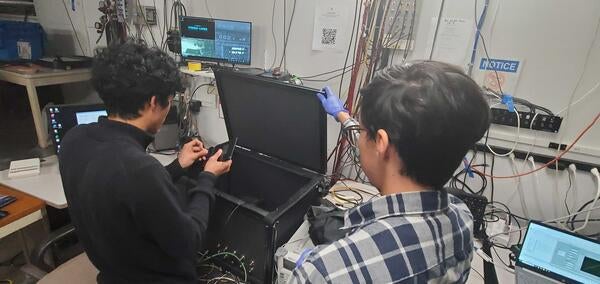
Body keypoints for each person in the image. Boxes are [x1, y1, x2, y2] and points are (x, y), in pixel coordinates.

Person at [290, 61, 490, 283]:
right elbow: (385, 146)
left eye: (363, 130)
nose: (361, 138)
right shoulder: (461, 218)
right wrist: (342, 116)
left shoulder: (325, 272)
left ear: (381, 143)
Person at [59, 41, 232, 283]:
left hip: (113, 272)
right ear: (153, 102)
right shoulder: (138, 169)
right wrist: (208, 178)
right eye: (170, 100)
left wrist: (177, 166)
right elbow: (189, 241)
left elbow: (126, 194)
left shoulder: (73, 140)